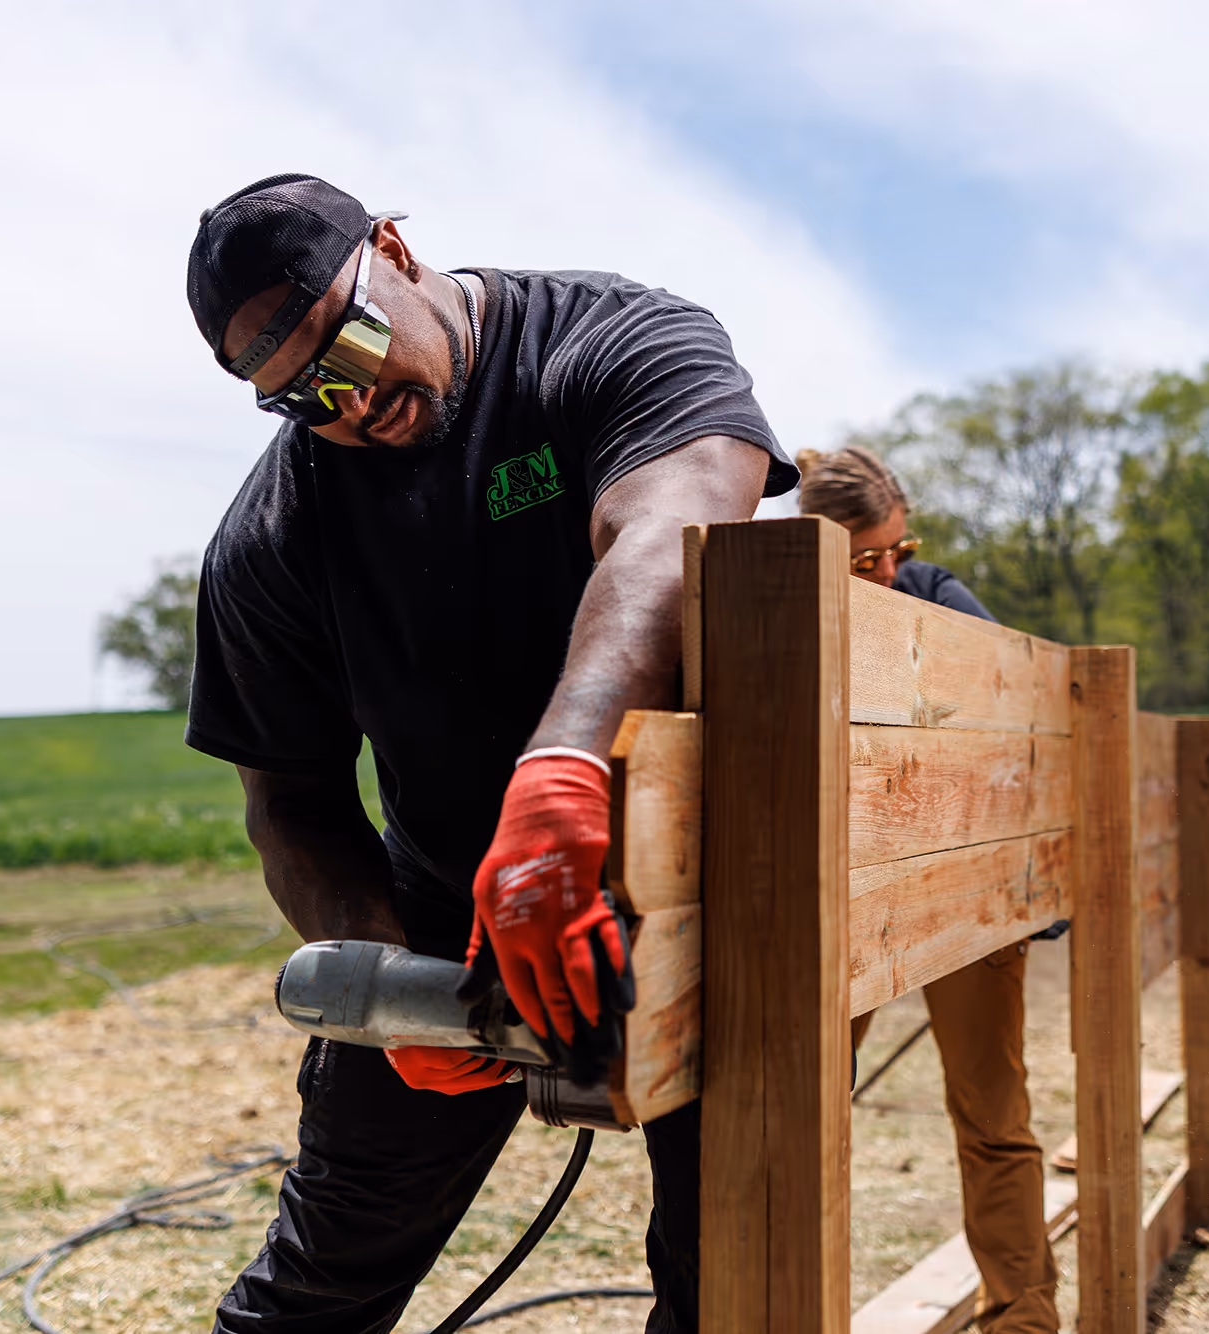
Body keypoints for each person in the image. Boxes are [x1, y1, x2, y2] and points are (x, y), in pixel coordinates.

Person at [182, 173, 795, 1333]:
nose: (350, 400)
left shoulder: (610, 340)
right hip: (444, 915)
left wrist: (563, 772)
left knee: (730, 1277)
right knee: (317, 1287)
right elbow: (290, 803)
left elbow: (675, 526)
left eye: (349, 343)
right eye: (302, 395)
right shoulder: (270, 540)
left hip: (703, 882)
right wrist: (385, 974)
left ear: (396, 252)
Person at [795, 446, 1060, 1333]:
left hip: (964, 895)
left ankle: (1023, 1318)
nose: (886, 572)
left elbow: (1019, 717)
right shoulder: (780, 610)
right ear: (814, 544)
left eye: (895, 551)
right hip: (838, 898)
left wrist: (1031, 870)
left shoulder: (938, 596)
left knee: (993, 1113)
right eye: (864, 559)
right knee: (801, 1111)